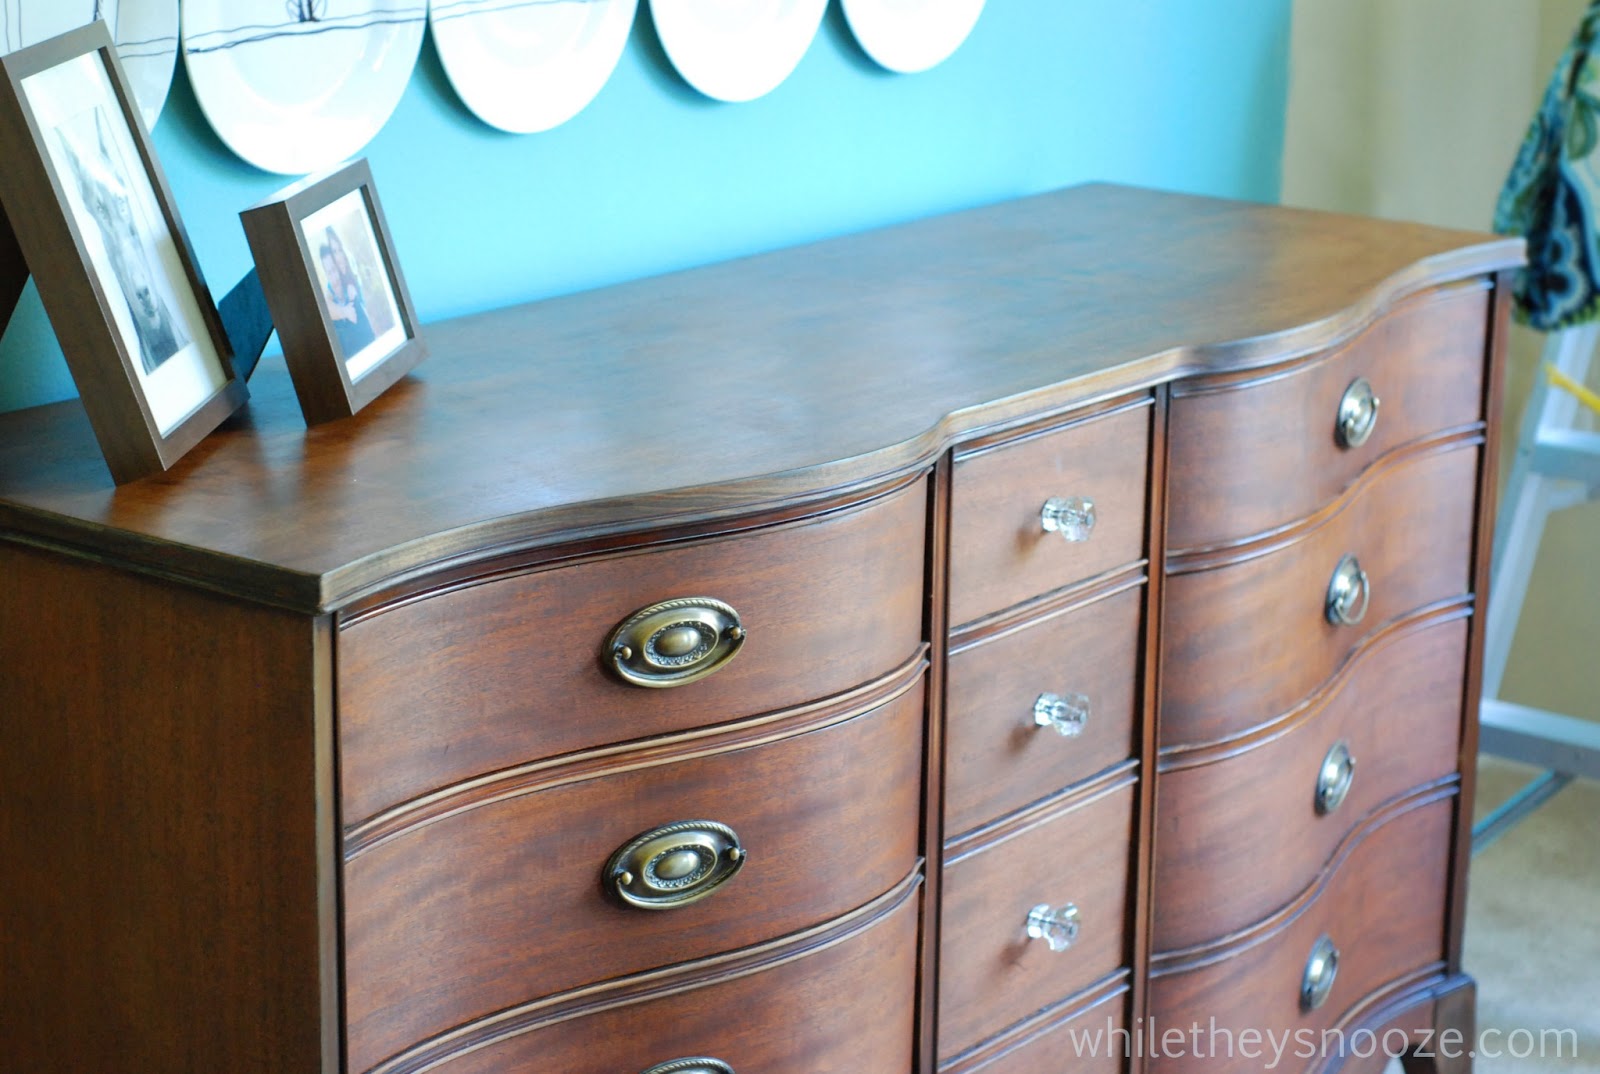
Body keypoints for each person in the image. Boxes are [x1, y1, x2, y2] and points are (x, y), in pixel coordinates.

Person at [318, 232, 373, 359]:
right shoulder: (330, 295)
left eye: (334, 269)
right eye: (329, 272)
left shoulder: (352, 284)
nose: (334, 276)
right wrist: (345, 312)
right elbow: (325, 305)